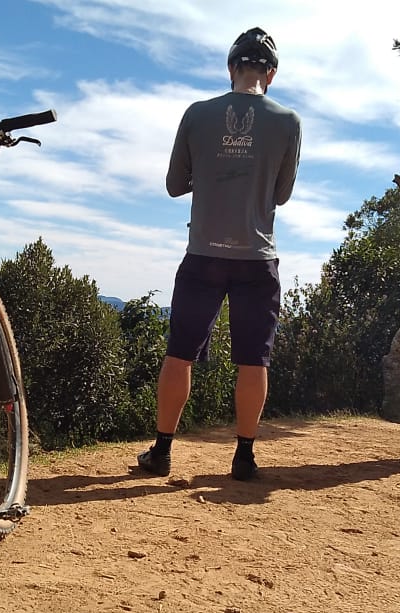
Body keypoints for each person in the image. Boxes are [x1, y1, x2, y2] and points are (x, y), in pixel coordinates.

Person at [136, 27, 302, 481]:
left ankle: (162, 452)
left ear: (231, 68)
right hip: (258, 259)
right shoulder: (288, 121)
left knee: (179, 354)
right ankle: (244, 457)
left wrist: (210, 175)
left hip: (203, 254)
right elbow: (282, 195)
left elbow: (174, 185)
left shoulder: (197, 114)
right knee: (254, 360)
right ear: (271, 73)